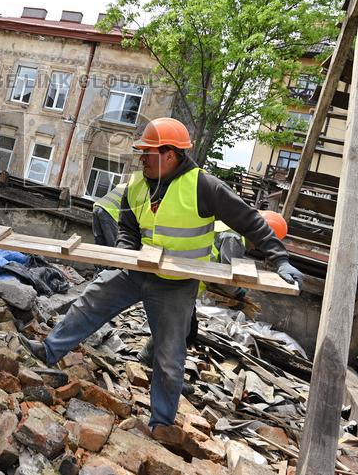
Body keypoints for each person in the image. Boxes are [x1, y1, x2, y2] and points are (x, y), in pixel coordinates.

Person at [20, 117, 304, 429]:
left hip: (176, 285)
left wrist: (280, 260)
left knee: (169, 357)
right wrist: (125, 254)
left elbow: (250, 220)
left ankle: (161, 423)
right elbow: (128, 226)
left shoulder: (203, 186)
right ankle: (49, 351)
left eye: (148, 152)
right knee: (90, 302)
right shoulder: (137, 184)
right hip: (138, 271)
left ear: (170, 155)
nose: (141, 158)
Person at [137, 209, 291, 367]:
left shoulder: (229, 228)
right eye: (262, 243)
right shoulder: (233, 238)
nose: (257, 247)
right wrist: (238, 295)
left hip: (183, 274)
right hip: (183, 278)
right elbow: (227, 278)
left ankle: (156, 362)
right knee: (182, 329)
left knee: (183, 328)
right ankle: (152, 362)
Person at [92, 182, 127, 247]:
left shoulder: (123, 185)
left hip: (97, 206)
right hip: (108, 211)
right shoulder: (135, 191)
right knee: (113, 244)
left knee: (99, 242)